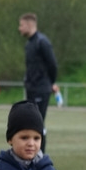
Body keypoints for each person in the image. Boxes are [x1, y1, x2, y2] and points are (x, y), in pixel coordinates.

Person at [18, 12, 58, 153]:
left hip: (41, 89)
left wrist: (50, 82)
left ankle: (41, 156)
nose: (19, 28)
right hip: (32, 89)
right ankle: (35, 155)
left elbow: (53, 65)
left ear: (29, 25)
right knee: (32, 123)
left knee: (37, 123)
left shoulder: (42, 42)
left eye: (21, 25)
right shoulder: (29, 43)